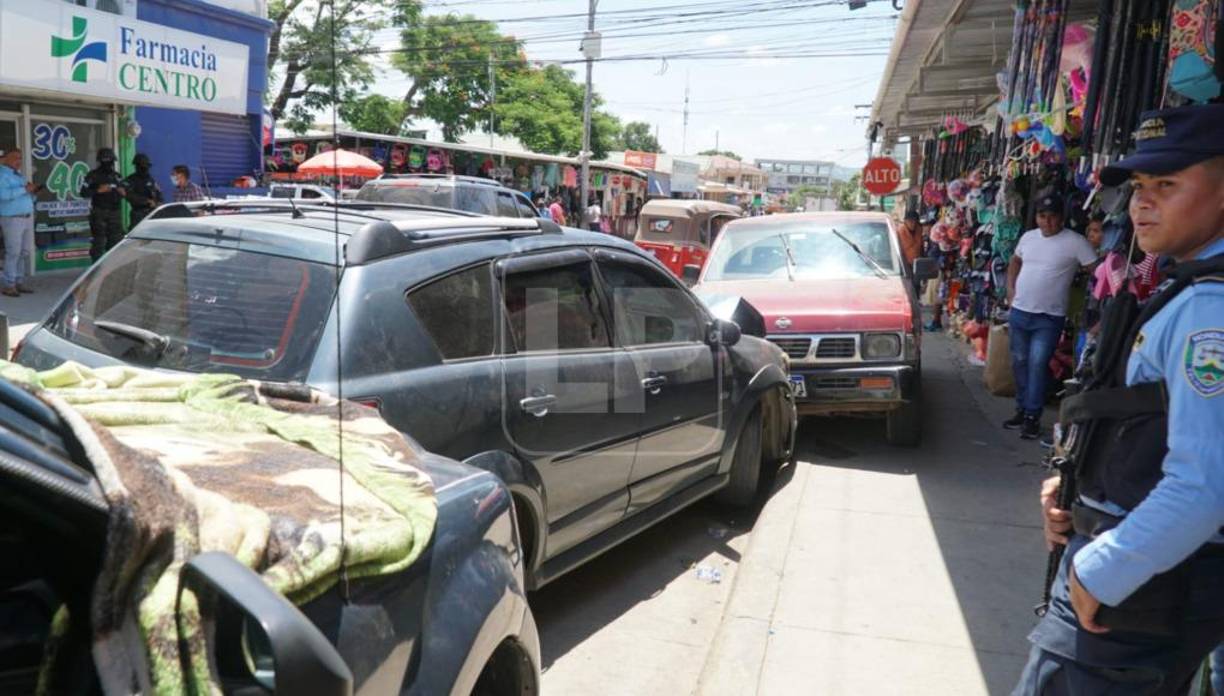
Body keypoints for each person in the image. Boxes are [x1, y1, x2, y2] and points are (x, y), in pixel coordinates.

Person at [1014, 104, 1224, 695]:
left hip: (1141, 589)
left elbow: (1206, 480)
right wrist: (1080, 483)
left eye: (1167, 184)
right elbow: (1150, 421)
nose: (1142, 203)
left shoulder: (1210, 307)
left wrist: (1103, 570)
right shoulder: (1186, 285)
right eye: (1137, 186)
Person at [1003, 193, 1098, 439]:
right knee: (1019, 362)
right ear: (1036, 218)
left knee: (1036, 364)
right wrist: (1010, 290)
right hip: (1020, 312)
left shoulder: (1075, 242)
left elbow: (1096, 270)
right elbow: (1014, 261)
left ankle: (1033, 416)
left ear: (1061, 218)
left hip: (1049, 317)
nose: (1047, 222)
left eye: (1052, 217)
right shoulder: (1028, 237)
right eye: (1042, 216)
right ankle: (1022, 409)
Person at [0, 148, 39, 297]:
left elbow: (26, 194)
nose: (19, 161)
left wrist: (33, 193)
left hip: (26, 217)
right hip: (12, 218)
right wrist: (24, 189)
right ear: (6, 159)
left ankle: (18, 281)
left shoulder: (19, 176)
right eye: (15, 158)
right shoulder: (2, 175)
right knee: (13, 252)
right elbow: (3, 195)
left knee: (24, 252)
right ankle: (9, 285)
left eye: (20, 158)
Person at [80, 147, 125, 263]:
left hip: (115, 213)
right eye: (106, 160)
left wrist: (123, 192)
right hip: (99, 212)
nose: (109, 164)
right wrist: (98, 191)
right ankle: (95, 271)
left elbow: (125, 192)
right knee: (99, 243)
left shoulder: (117, 176)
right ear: (100, 161)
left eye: (110, 161)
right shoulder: (93, 175)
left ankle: (111, 269)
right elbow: (83, 192)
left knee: (115, 242)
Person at [122, 153, 162, 230]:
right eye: (142, 166)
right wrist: (147, 201)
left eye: (146, 166)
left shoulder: (150, 179)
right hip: (138, 213)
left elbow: (158, 193)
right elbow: (129, 196)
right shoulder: (130, 180)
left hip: (151, 213)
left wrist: (158, 202)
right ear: (137, 166)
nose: (144, 169)